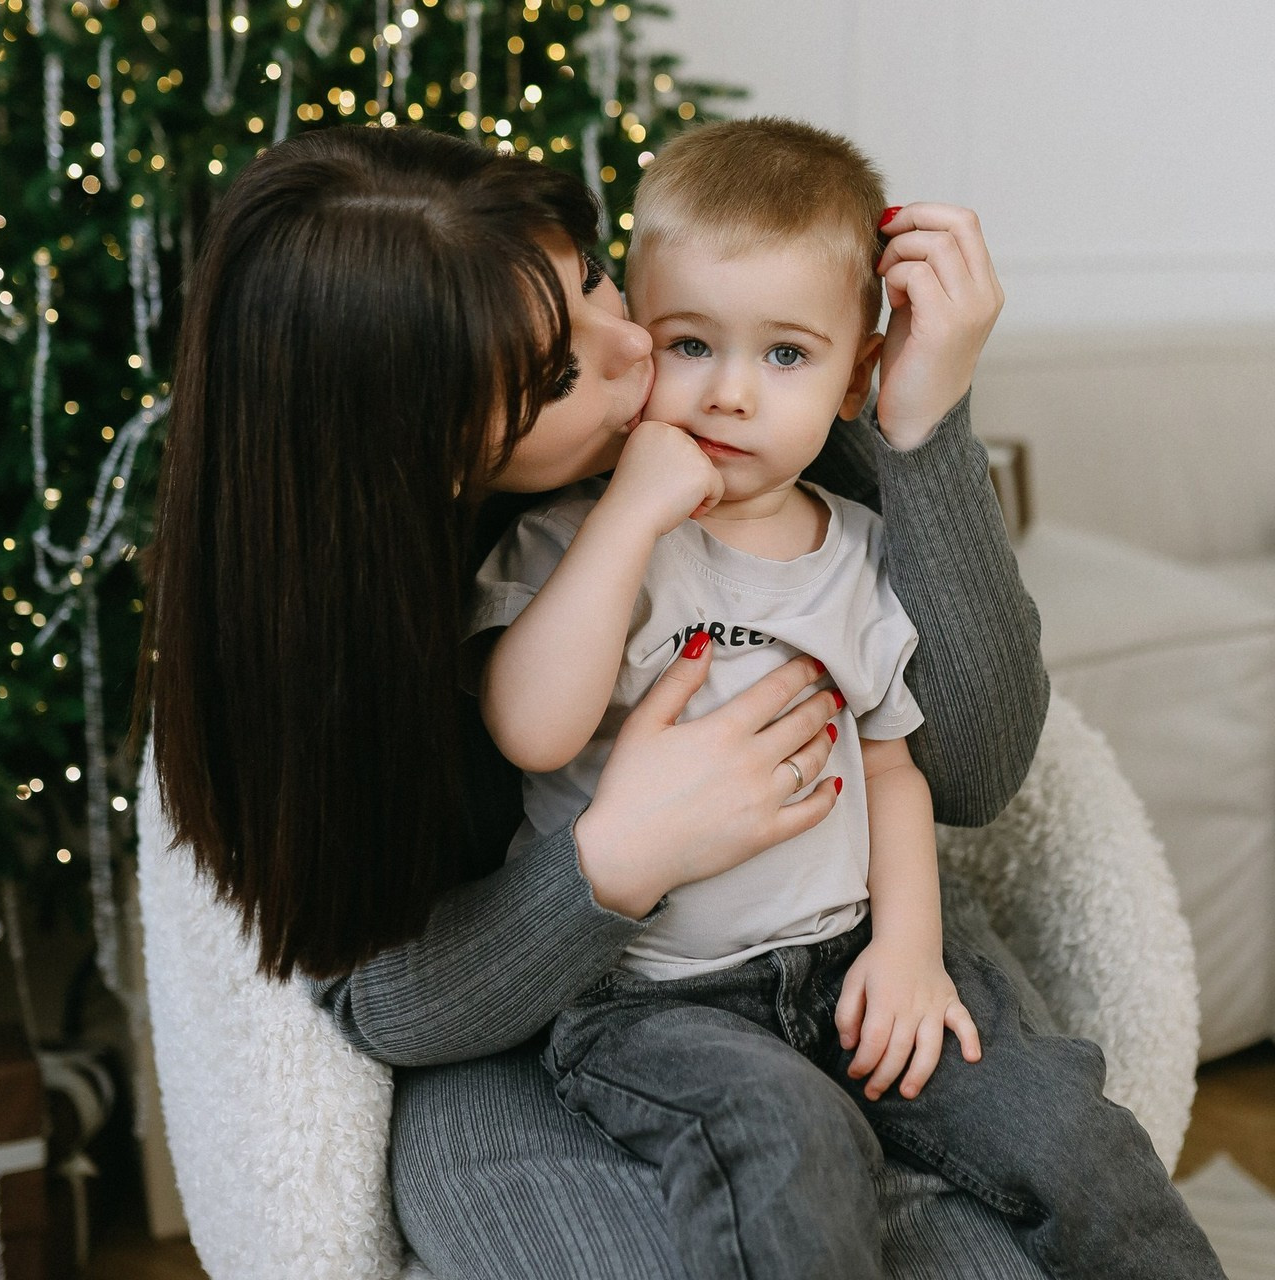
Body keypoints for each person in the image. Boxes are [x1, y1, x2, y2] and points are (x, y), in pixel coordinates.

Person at [137, 122, 1076, 1279]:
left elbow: (974, 772)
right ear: (427, 452)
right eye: (554, 375)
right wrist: (609, 860)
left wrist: (920, 427)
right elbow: (381, 1002)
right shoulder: (317, 641)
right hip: (548, 1046)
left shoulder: (733, 413)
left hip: (837, 966)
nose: (637, 345)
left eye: (587, 276)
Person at [466, 118, 1223, 1280]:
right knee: (789, 1134)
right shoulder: (569, 539)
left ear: (857, 376)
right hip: (654, 1002)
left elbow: (891, 769)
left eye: (783, 356)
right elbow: (532, 724)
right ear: (638, 339)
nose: (727, 394)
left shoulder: (857, 550)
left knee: (1063, 1130)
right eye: (687, 343)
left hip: (847, 955)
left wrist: (910, 953)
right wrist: (628, 515)